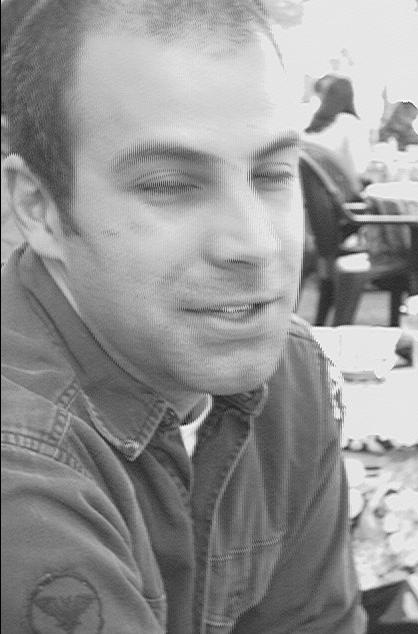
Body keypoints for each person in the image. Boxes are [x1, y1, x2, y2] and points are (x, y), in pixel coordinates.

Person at [1, 1, 366, 633]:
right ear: (39, 207)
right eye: (170, 185)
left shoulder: (293, 377)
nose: (256, 243)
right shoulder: (21, 464)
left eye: (273, 174)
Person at [304, 74, 371, 190]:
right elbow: (360, 169)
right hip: (344, 194)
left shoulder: (310, 127)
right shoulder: (351, 125)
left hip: (315, 195)